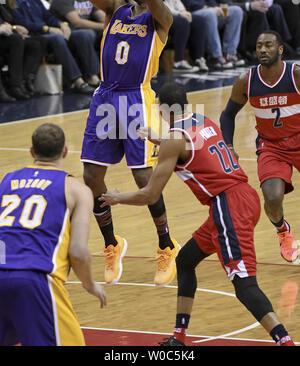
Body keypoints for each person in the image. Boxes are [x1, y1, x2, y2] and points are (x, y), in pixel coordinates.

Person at [101, 81, 295, 347]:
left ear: (160, 108)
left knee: (244, 283)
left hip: (229, 208)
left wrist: (116, 198)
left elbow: (150, 195)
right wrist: (156, 137)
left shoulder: (173, 139)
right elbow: (190, 145)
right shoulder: (203, 121)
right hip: (241, 198)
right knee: (186, 260)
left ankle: (284, 340)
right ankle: (179, 337)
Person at [78, 0, 180, 287]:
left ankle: (166, 245)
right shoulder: (115, 10)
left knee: (142, 177)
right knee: (92, 178)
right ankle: (111, 243)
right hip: (106, 96)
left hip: (137, 99)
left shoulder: (161, 19)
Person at [0, 123, 106, 346]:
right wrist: (90, 284)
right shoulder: (76, 189)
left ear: (31, 152)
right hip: (35, 277)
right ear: (65, 151)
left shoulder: (6, 181)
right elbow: (77, 251)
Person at [220, 30, 300, 263]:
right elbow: (227, 116)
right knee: (272, 198)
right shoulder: (246, 81)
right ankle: (283, 231)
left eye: (269, 45)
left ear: (280, 49)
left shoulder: (295, 75)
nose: (263, 50)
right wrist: (228, 146)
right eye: (259, 46)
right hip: (272, 146)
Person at [10, 0, 96, 94]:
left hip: (49, 31)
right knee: (57, 38)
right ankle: (77, 80)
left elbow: (48, 16)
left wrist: (62, 24)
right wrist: (47, 28)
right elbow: (22, 23)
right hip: (36, 35)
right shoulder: (9, 0)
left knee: (84, 34)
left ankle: (93, 77)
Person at [50, 0, 105, 67]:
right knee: (87, 34)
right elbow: (77, 23)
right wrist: (104, 26)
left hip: (88, 30)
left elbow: (101, 15)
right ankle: (92, 76)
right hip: (68, 32)